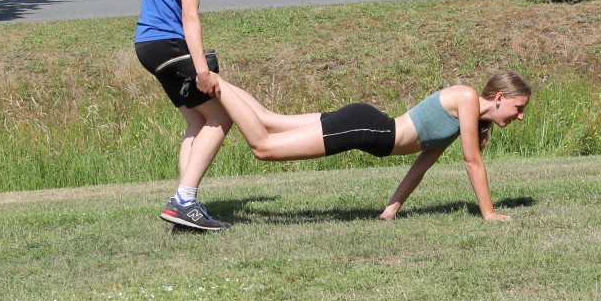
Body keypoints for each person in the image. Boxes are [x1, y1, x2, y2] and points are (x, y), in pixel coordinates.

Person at [214, 71, 531, 222]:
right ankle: (213, 81)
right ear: (500, 98)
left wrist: (391, 209)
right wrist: (489, 214)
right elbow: (472, 162)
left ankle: (216, 78)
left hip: (365, 125)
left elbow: (421, 165)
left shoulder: (464, 122)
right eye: (518, 108)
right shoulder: (465, 98)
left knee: (270, 120)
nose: (520, 116)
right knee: (264, 147)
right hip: (366, 128)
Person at [133, 0, 239, 231]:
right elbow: (189, 15)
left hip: (150, 44)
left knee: (197, 121)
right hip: (167, 43)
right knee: (221, 118)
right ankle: (184, 201)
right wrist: (202, 70)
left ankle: (183, 208)